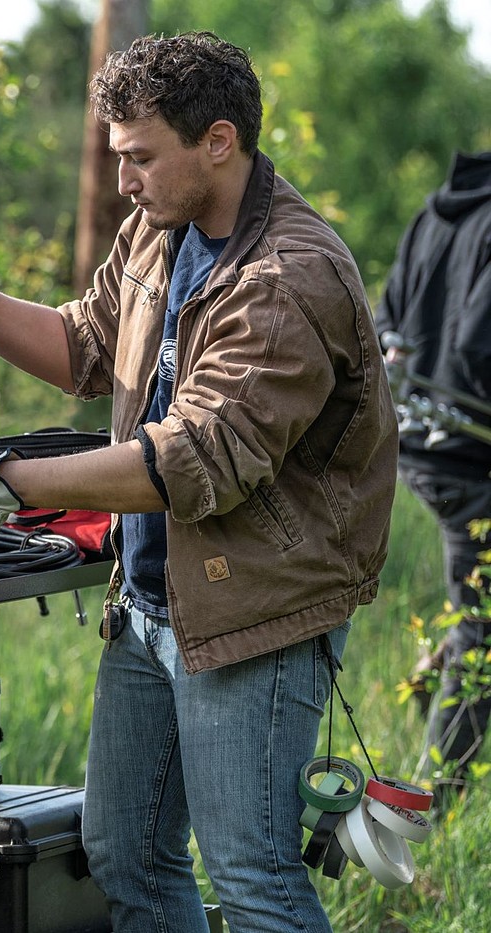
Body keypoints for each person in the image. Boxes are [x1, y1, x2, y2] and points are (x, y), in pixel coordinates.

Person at [0, 32, 397, 932]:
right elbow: (83, 344)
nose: (123, 182)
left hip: (253, 617)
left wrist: (13, 480)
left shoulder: (288, 280)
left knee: (253, 873)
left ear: (218, 141)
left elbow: (193, 458)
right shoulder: (160, 226)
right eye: (118, 157)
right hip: (149, 606)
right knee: (128, 856)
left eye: (140, 156)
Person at [374, 150, 491, 809]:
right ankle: (431, 807)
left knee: (479, 606)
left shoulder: (436, 210)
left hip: (417, 444)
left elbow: (386, 317)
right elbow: (480, 344)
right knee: (486, 625)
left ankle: (426, 681)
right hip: (471, 457)